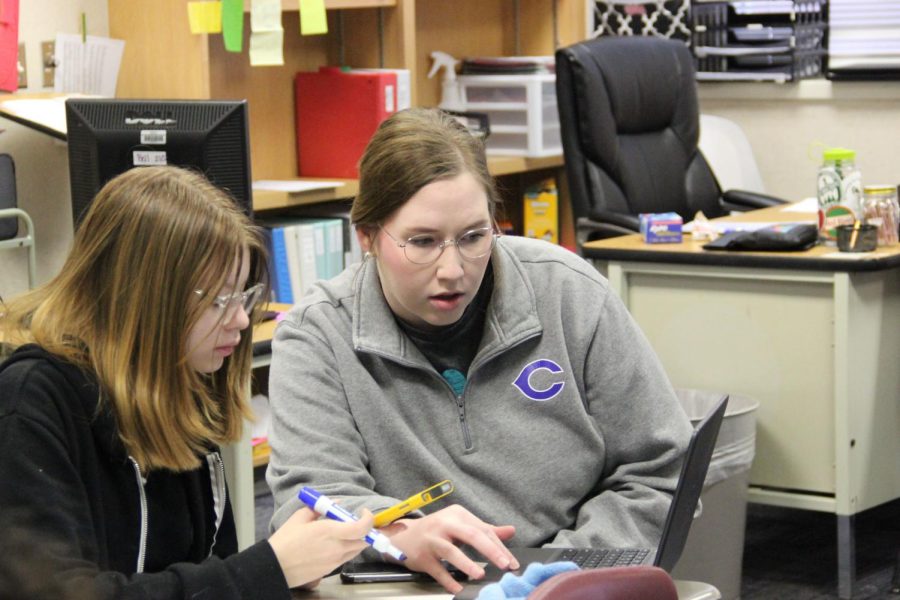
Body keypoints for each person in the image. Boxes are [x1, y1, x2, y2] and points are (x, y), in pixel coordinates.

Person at [266, 107, 694, 594]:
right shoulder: (316, 333)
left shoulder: (569, 293)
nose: (453, 269)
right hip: (411, 586)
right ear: (366, 236)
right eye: (422, 242)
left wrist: (559, 574)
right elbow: (315, 505)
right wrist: (401, 534)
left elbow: (661, 470)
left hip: (570, 579)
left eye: (474, 237)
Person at [0, 166, 372, 600]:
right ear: (141, 299)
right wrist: (264, 570)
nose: (240, 320)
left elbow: (210, 567)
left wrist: (280, 570)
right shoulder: (30, 404)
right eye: (219, 300)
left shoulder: (180, 388)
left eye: (243, 296)